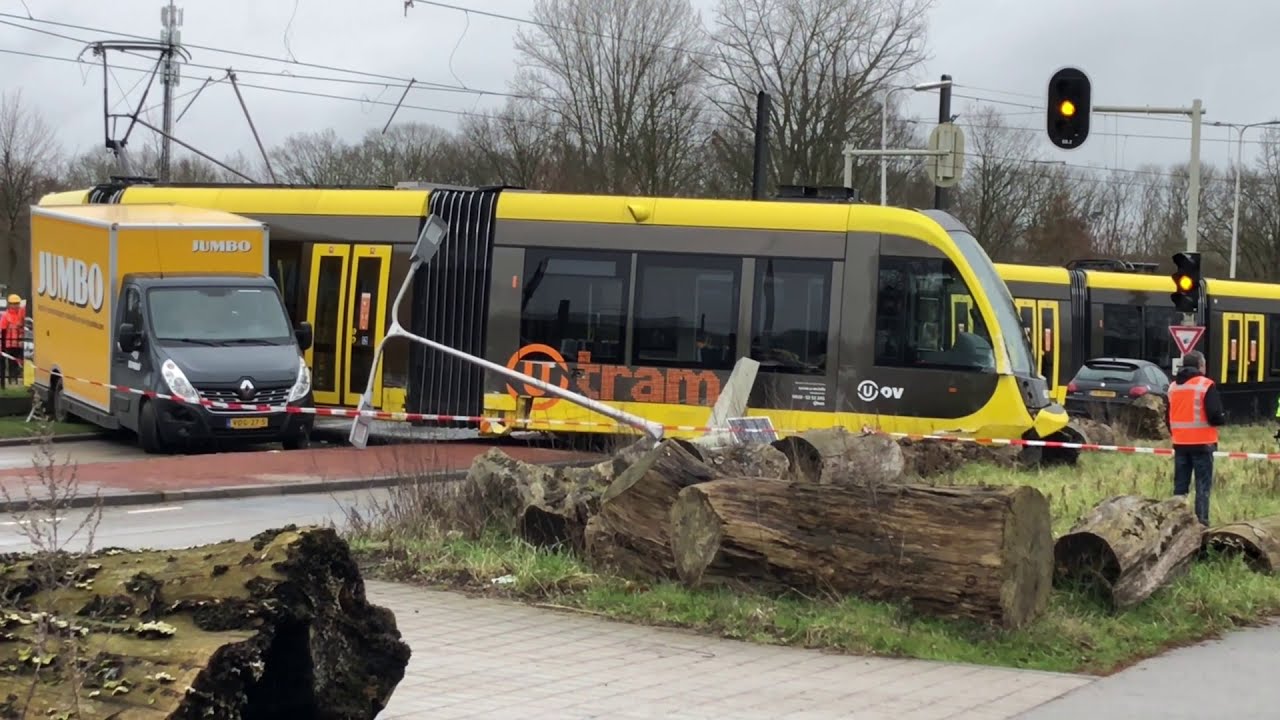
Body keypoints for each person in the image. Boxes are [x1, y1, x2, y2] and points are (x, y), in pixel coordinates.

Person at [1166, 350, 1225, 526]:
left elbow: (1167, 416)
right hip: (1202, 443)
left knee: (1180, 488)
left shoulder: (1173, 387)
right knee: (1202, 487)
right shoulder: (1206, 385)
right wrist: (1222, 418)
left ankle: (1176, 524)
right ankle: (1201, 524)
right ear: (1200, 365)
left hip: (1180, 443)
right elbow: (1215, 415)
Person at [0, 295, 24, 387]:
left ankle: (16, 379)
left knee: (19, 363)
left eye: (17, 303)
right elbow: (2, 329)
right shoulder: (6, 316)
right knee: (11, 363)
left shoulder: (21, 314)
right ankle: (11, 381)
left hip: (19, 344)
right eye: (13, 303)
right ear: (9, 304)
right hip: (9, 344)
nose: (15, 305)